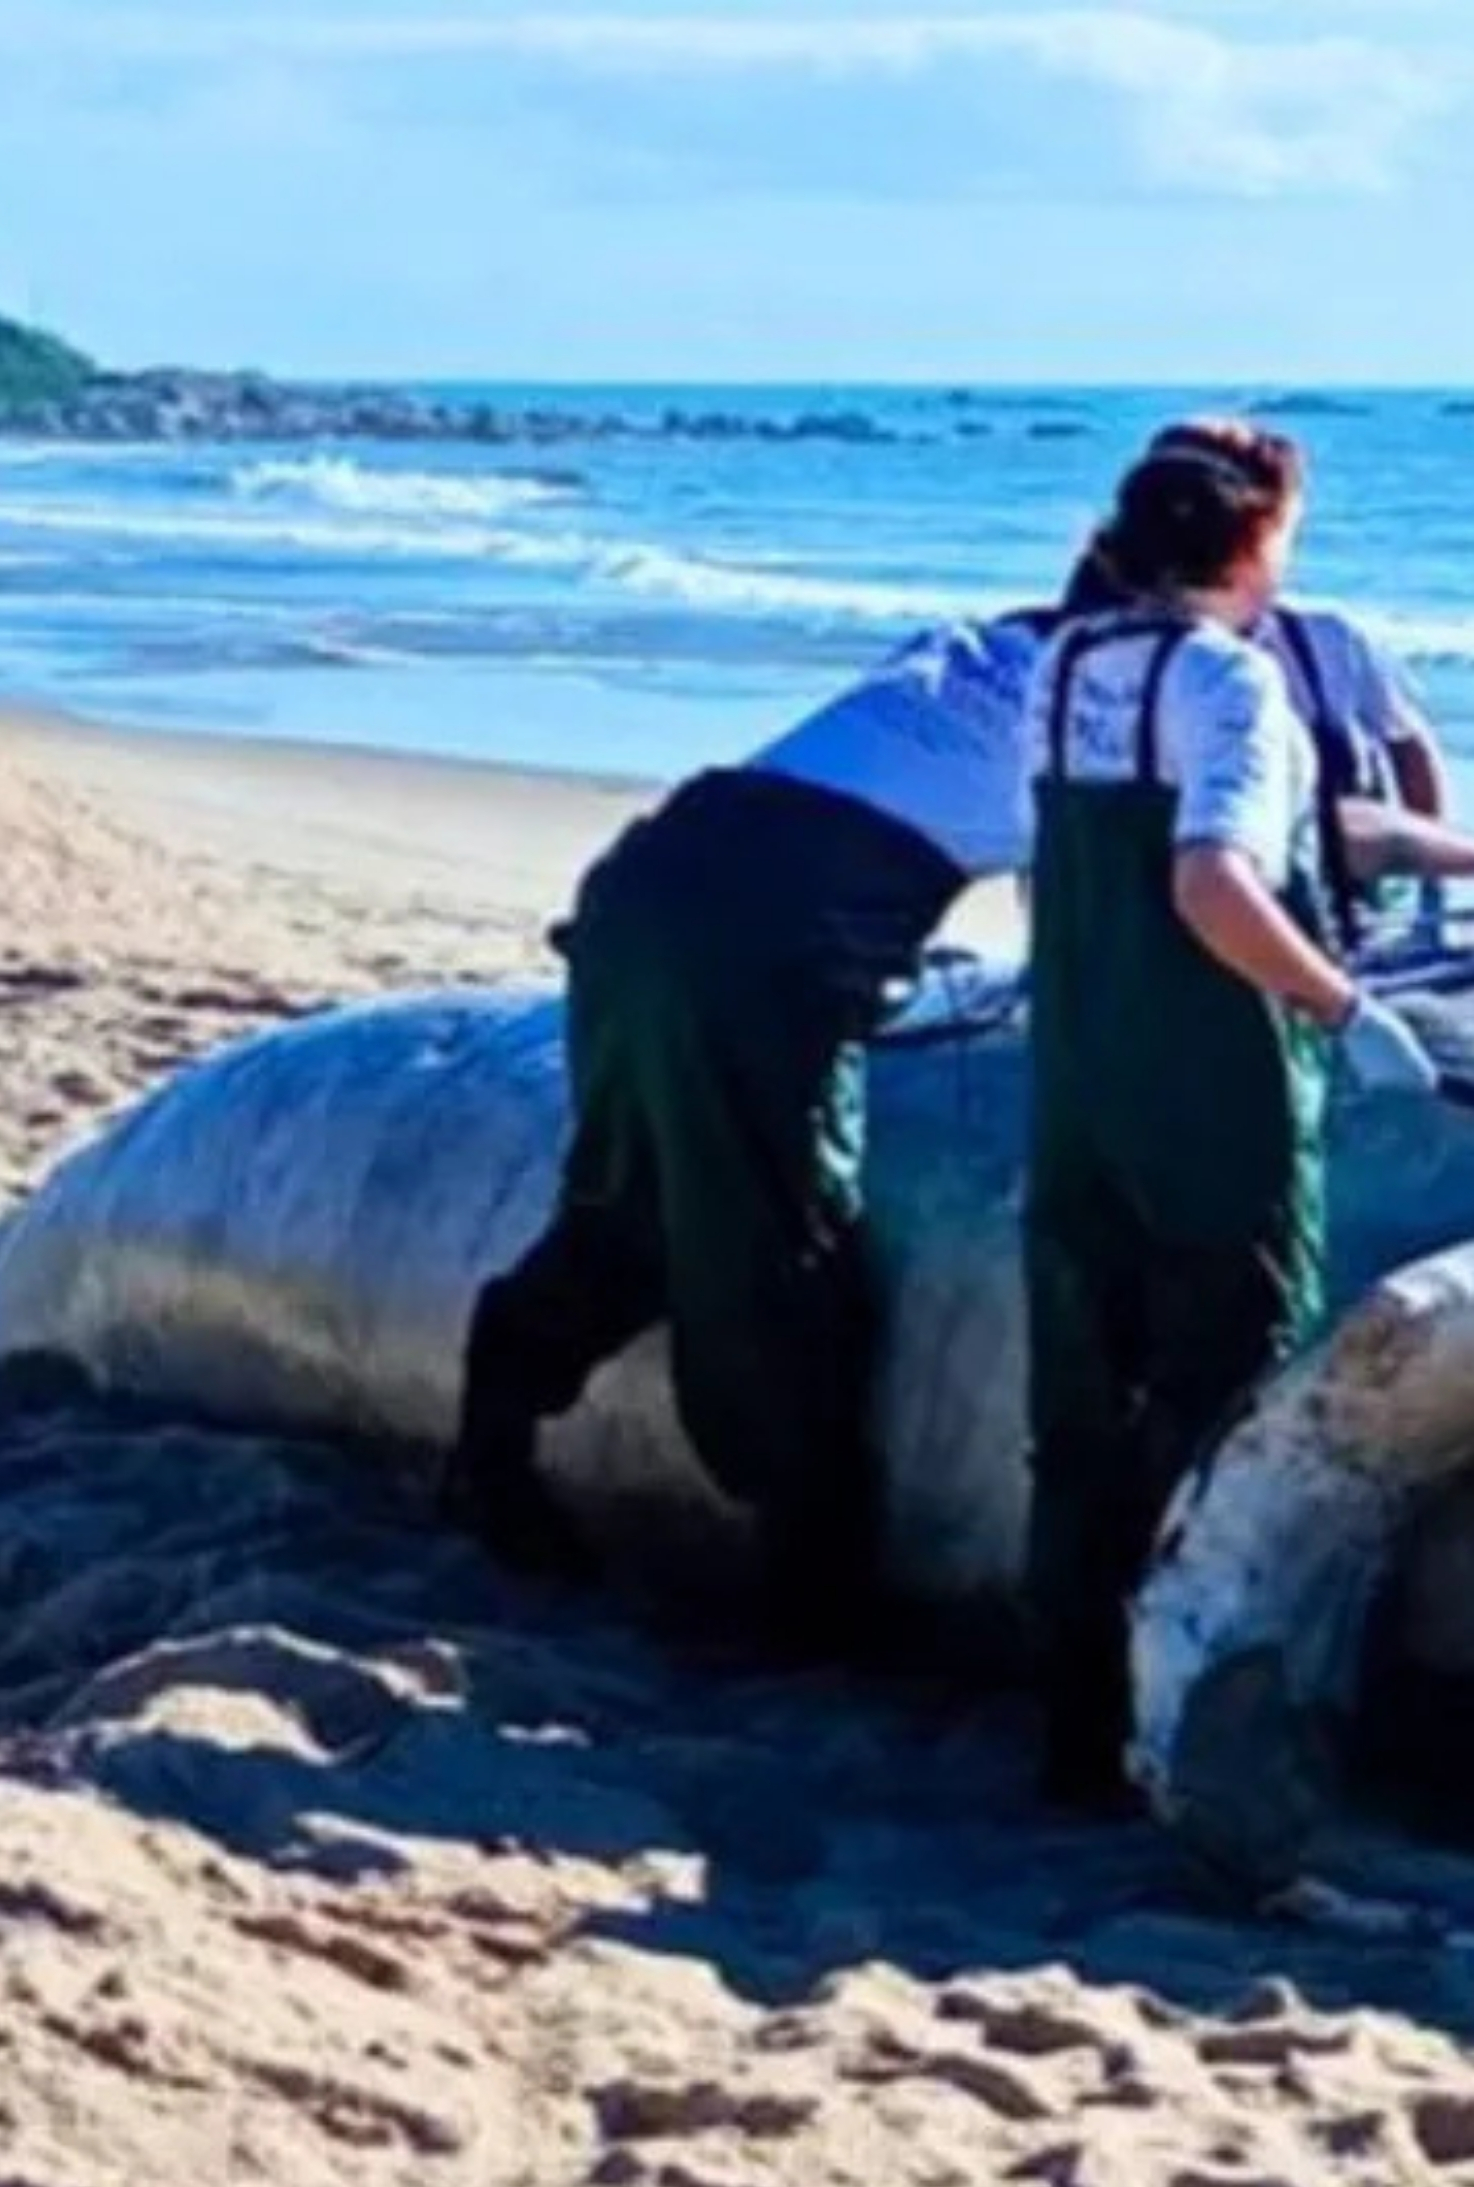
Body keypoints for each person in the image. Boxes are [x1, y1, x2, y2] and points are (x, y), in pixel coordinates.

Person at [1015, 441, 1474, 1807]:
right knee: (1226, 1402)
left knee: (1079, 1406)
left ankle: (1071, 1724)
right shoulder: (1233, 679)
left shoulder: (1064, 666)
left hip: (1078, 1079)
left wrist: (1465, 856)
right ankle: (1199, 1714)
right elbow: (1212, 881)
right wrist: (1335, 1001)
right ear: (1251, 544)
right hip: (1215, 1088)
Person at [446, 596, 1053, 1645]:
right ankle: (808, 1591)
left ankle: (487, 1451)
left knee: (631, 1192)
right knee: (784, 1242)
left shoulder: (979, 645)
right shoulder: (1123, 706)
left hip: (644, 882)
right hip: (761, 940)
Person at [1142, 420, 1455, 925]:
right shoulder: (1103, 662)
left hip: (1335, 922)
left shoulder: (1326, 643)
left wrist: (1431, 897)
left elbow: (1409, 747)